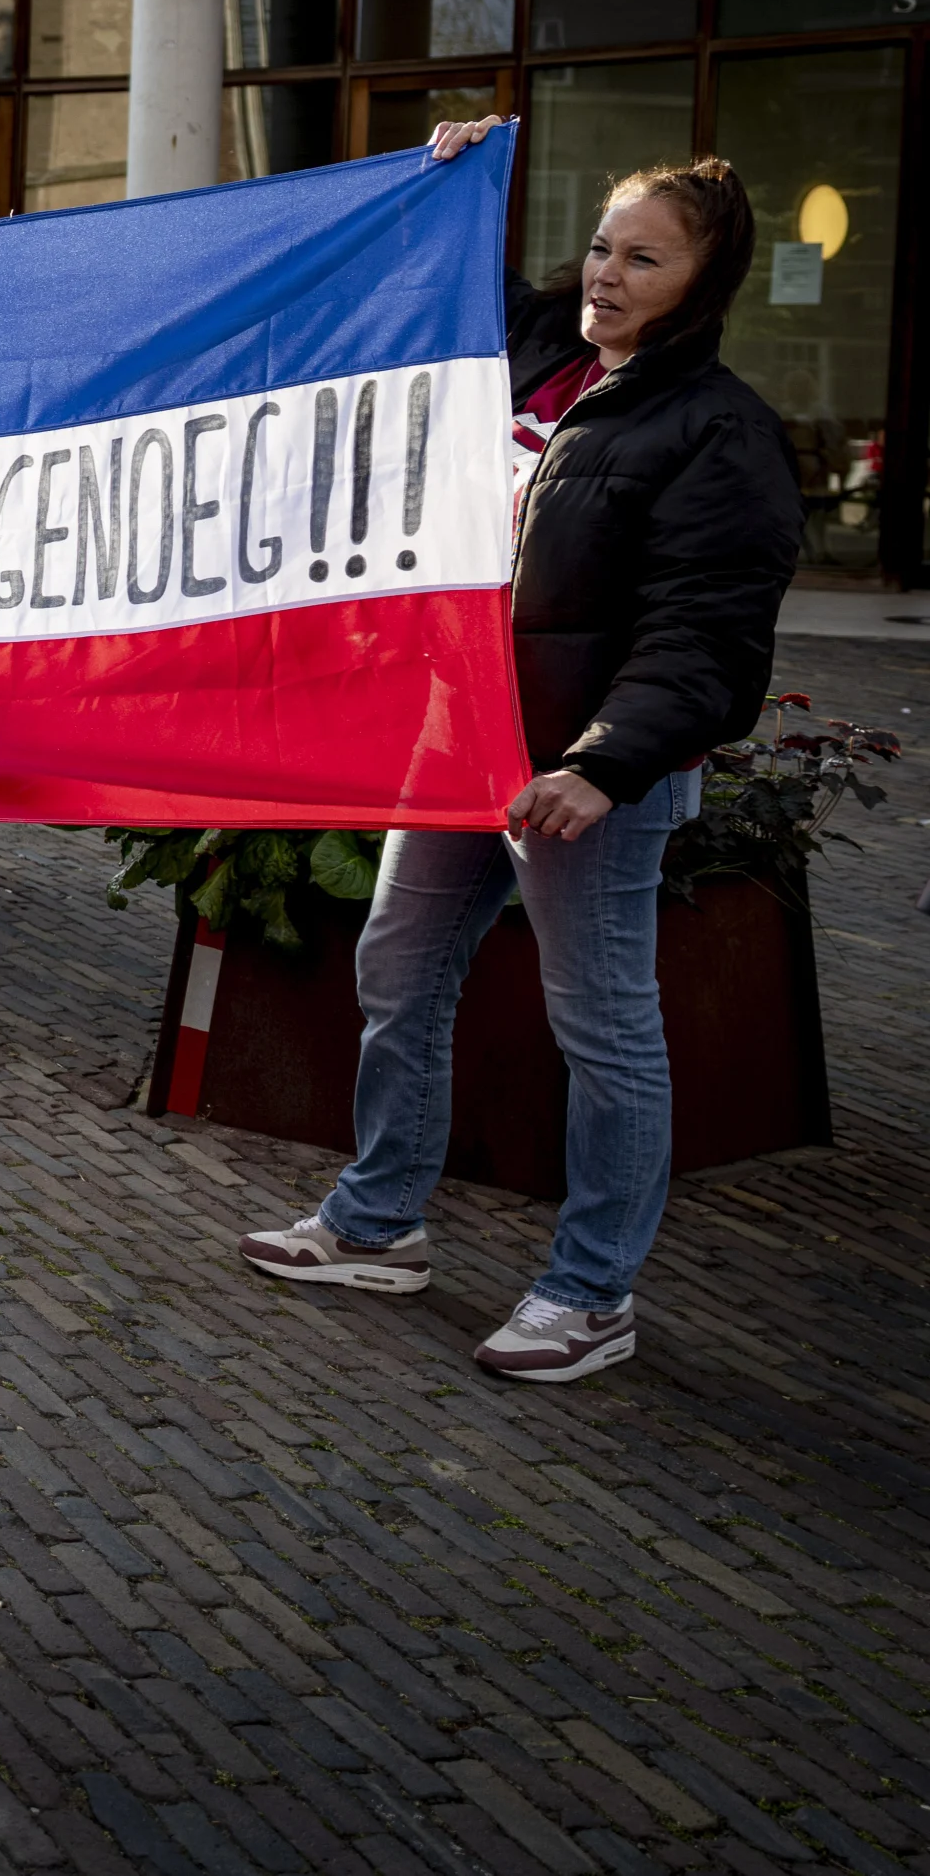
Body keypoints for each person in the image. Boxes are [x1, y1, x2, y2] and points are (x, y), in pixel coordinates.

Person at [245, 124, 798, 1383]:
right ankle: (378, 1222)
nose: (608, 273)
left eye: (645, 259)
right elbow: (444, 276)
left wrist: (603, 764)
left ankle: (592, 1292)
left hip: (582, 778)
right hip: (462, 743)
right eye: (603, 245)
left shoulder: (719, 431)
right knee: (399, 969)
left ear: (703, 283)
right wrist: (445, 174)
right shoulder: (543, 355)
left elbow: (705, 635)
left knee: (601, 1027)